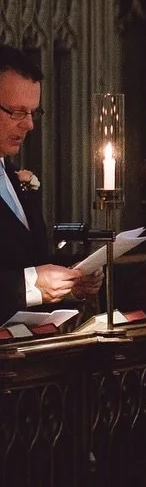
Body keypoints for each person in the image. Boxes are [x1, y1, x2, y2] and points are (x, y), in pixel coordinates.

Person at [0, 45, 98, 322]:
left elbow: (22, 259)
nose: (29, 125)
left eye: (33, 112)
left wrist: (71, 282)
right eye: (17, 112)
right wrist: (32, 285)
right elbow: (27, 278)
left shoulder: (13, 175)